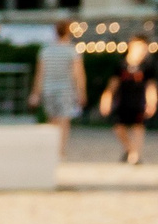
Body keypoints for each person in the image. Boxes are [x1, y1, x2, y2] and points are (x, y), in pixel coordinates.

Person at [34, 19, 87, 154]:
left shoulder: (45, 50)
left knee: (52, 119)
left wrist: (36, 93)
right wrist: (82, 92)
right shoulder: (72, 51)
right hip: (66, 89)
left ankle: (50, 147)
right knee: (64, 120)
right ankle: (60, 150)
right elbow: (78, 74)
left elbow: (40, 74)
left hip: (48, 88)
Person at [100, 36, 155, 165]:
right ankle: (130, 149)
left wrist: (152, 101)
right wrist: (106, 98)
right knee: (118, 127)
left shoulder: (147, 67)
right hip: (123, 100)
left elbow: (150, 86)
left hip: (139, 101)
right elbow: (113, 84)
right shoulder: (121, 64)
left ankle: (135, 155)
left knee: (138, 127)